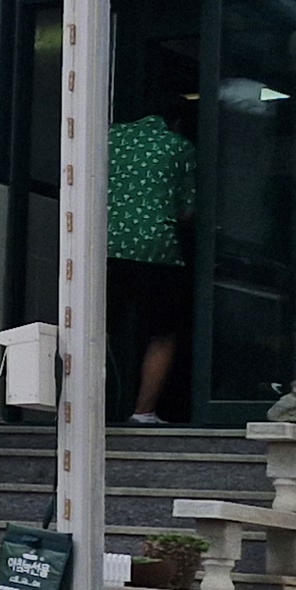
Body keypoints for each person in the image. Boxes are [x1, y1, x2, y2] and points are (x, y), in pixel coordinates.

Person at [108, 79, 200, 424]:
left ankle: (85, 407)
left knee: (96, 332)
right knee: (163, 334)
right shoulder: (180, 146)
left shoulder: (109, 137)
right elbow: (188, 211)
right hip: (157, 251)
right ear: (177, 120)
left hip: (105, 246)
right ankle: (143, 412)